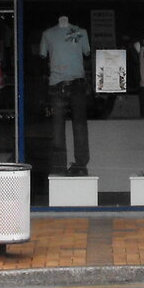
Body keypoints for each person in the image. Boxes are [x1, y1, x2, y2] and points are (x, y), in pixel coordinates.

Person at [37, 15, 92, 173]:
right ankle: (75, 165)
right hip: (65, 84)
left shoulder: (79, 32)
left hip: (66, 83)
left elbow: (86, 51)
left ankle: (69, 165)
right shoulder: (49, 34)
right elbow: (86, 52)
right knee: (71, 125)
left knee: (63, 126)